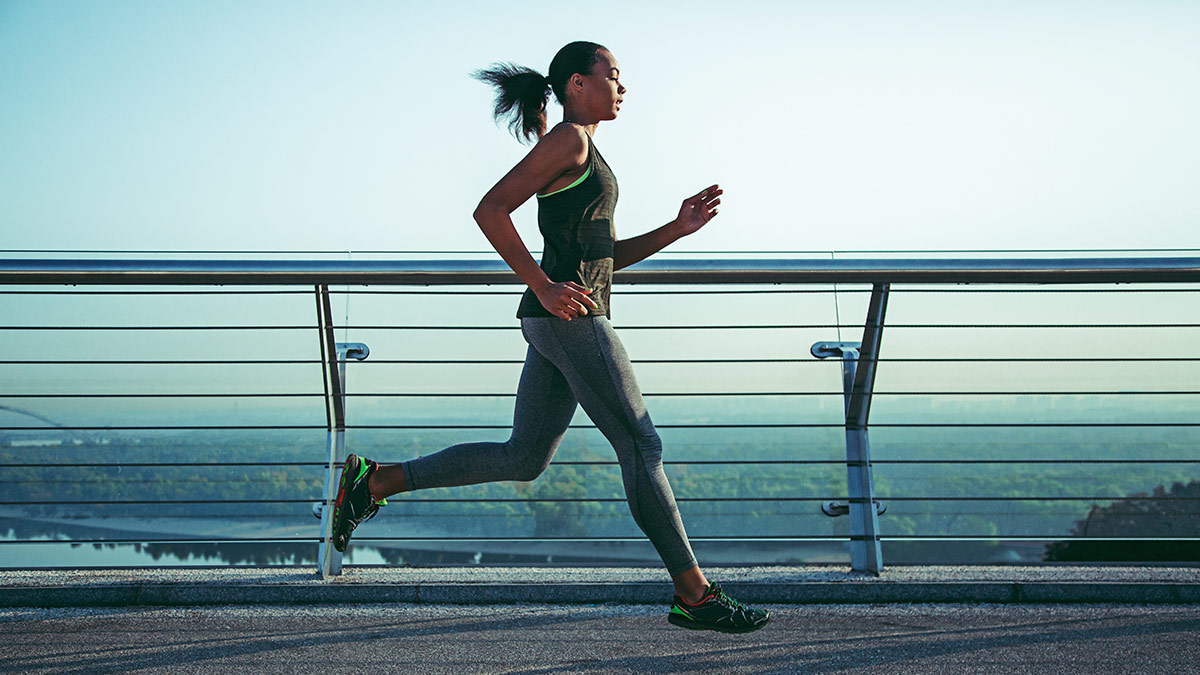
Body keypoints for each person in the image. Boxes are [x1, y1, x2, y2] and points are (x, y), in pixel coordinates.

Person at [331, 40, 769, 634]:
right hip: (569, 320)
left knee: (525, 457)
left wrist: (676, 228)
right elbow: (490, 210)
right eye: (612, 75)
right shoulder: (570, 141)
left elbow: (602, 257)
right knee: (641, 446)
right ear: (577, 84)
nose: (622, 87)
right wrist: (541, 286)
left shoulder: (581, 147)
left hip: (558, 321)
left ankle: (376, 480)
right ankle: (695, 595)